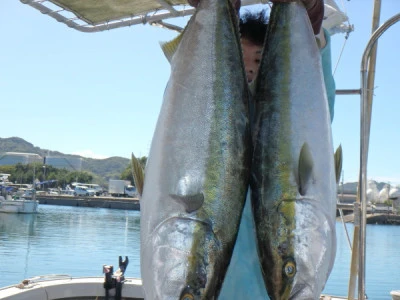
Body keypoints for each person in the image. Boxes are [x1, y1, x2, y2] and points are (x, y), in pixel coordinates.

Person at [187, 0, 336, 298]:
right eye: (242, 60)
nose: (251, 69)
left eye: (259, 60)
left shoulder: (284, 109)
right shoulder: (210, 114)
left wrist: (314, 35)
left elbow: (320, 100)